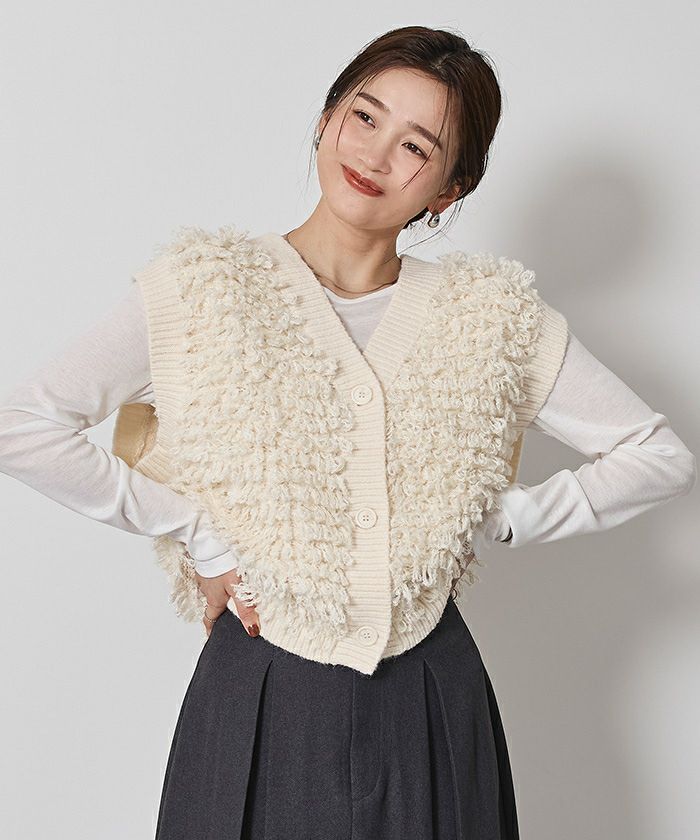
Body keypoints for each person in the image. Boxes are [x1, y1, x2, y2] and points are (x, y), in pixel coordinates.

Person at [0, 25, 695, 840]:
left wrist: (503, 514)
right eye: (365, 116)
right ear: (328, 117)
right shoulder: (203, 290)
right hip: (259, 691)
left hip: (432, 696)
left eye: (416, 146)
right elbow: (24, 426)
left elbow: (658, 456)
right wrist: (198, 533)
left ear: (450, 188)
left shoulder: (493, 317)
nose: (375, 154)